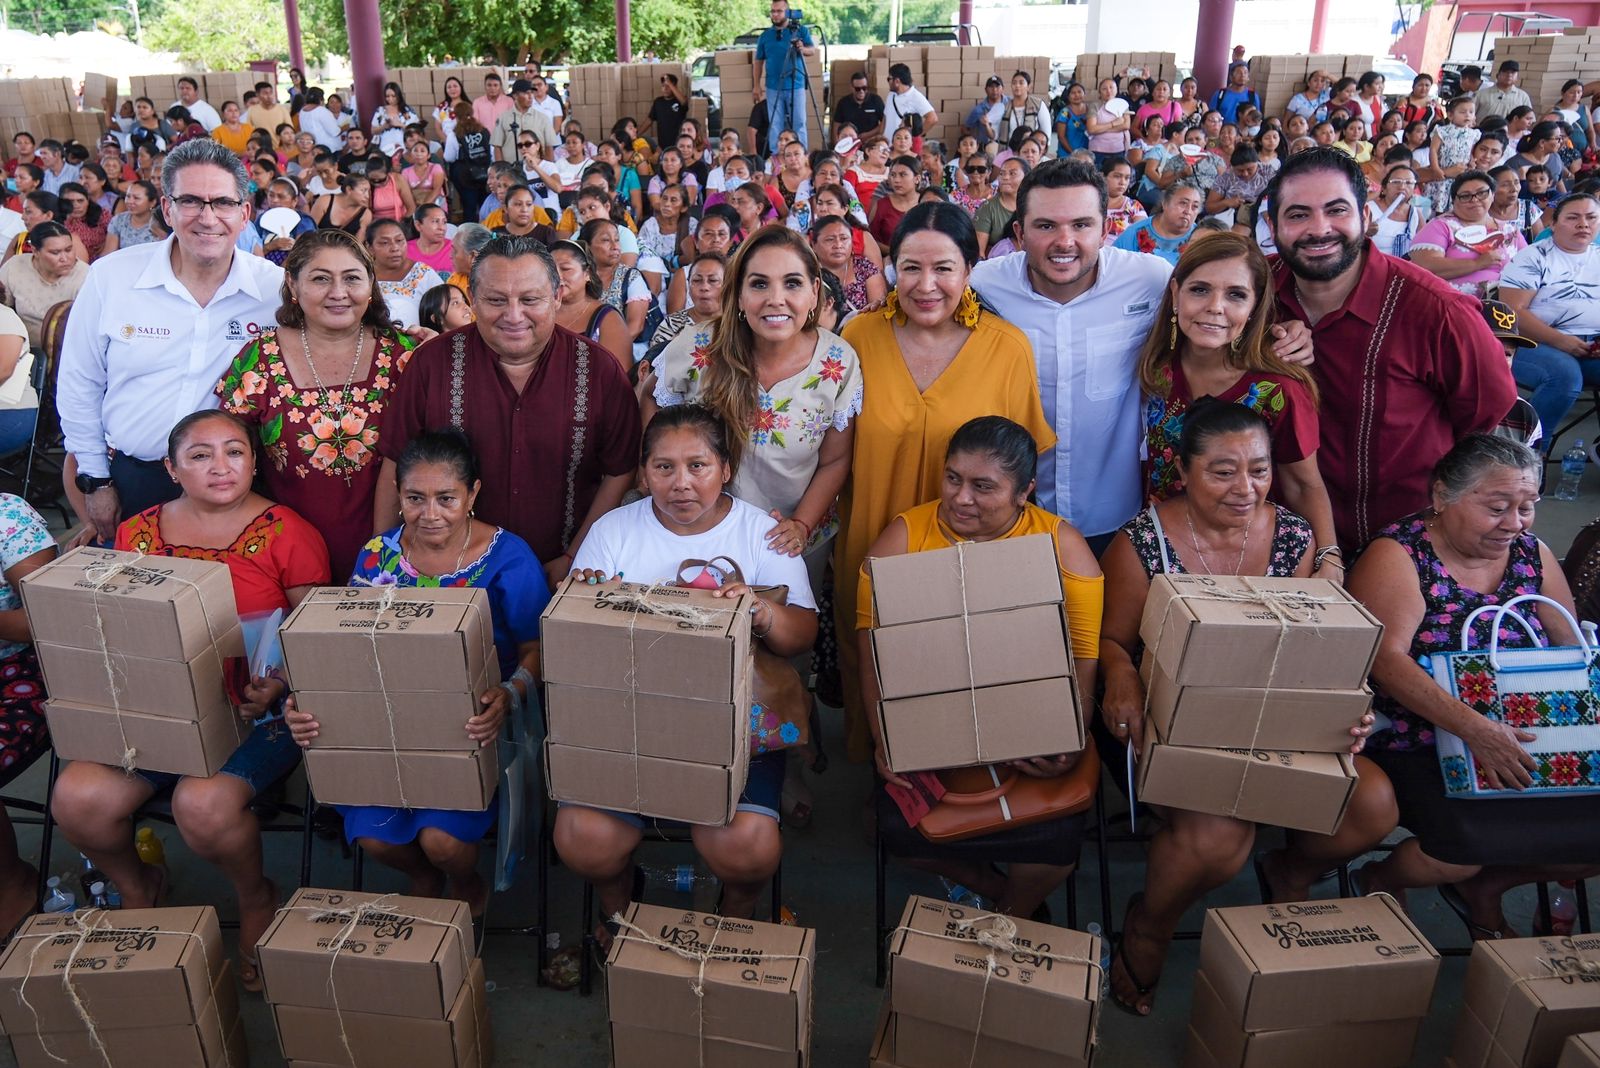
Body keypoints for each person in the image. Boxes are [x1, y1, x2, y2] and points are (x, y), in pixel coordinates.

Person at [1100, 399, 1393, 1015]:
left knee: (1372, 806)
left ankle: (1289, 869)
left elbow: (1315, 652)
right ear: (1183, 470)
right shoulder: (1140, 542)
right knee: (1220, 839)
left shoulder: (1292, 536)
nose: (1246, 488)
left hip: (1279, 718)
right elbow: (1111, 642)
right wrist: (1121, 678)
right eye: (1223, 471)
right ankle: (1149, 923)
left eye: (1259, 470)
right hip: (1177, 720)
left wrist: (1344, 708)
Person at [51, 408, 329, 990]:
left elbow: (315, 631)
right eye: (200, 456)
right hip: (158, 710)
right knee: (78, 799)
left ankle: (256, 896)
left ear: (255, 462)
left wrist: (277, 678)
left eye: (234, 451)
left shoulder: (289, 532)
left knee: (201, 807)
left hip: (257, 711)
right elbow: (119, 623)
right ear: (171, 469)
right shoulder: (138, 532)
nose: (220, 467)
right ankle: (137, 884)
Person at [972, 158, 1313, 556]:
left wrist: (1286, 329)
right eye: (1046, 226)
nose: (1065, 241)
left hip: (1113, 517)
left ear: (1105, 230)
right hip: (1012, 513)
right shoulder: (984, 284)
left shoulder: (1149, 278)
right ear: (1019, 232)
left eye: (1081, 225)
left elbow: (1221, 303)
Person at [556, 405, 814, 929]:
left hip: (733, 729)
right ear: (644, 471)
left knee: (749, 849)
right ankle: (619, 909)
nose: (681, 484)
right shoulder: (614, 529)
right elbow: (578, 643)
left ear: (725, 467)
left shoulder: (763, 533)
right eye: (663, 467)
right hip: (628, 725)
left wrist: (760, 610)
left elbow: (802, 634)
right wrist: (582, 603)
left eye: (697, 465)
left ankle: (734, 911)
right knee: (583, 839)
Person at [1348, 434, 1600, 941]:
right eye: (1497, 506)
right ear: (1442, 497)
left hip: (1529, 729)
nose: (1515, 522)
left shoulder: (1532, 553)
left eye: (1528, 506)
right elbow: (1384, 661)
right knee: (1460, 850)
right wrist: (1478, 729)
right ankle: (1380, 877)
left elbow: (1570, 650)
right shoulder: (1400, 554)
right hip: (1422, 734)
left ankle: (1491, 886)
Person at [287, 429, 547, 914]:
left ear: (473, 494)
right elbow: (340, 643)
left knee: (442, 840)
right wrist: (302, 700)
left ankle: (464, 882)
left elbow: (538, 648)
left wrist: (507, 695)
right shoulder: (376, 554)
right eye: (415, 498)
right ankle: (423, 877)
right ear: (398, 496)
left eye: (446, 498)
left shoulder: (509, 558)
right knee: (375, 836)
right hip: (382, 722)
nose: (431, 513)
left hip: (472, 725)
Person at [833, 202, 1053, 762]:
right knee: (874, 665)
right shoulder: (857, 337)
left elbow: (1026, 467)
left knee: (961, 676)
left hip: (971, 556)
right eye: (910, 267)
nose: (926, 285)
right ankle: (882, 791)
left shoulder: (1006, 348)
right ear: (889, 268)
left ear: (971, 270)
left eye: (944, 268)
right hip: (871, 543)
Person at [861, 416, 1103, 917]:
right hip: (934, 735)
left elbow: (1083, 652)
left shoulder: (1063, 547)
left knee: (1058, 843)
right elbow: (872, 648)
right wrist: (884, 735)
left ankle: (1008, 917)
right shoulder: (904, 537)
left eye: (983, 486)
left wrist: (1072, 732)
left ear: (1025, 492)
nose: (960, 498)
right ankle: (996, 894)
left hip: (1028, 738)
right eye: (953, 478)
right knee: (897, 833)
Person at [1266, 147, 1517, 550]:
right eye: (1298, 215)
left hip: (1400, 548)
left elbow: (1486, 411)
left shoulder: (1436, 309)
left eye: (1337, 210)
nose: (1319, 228)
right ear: (1271, 225)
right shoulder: (1251, 294)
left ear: (1366, 218)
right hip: (1274, 543)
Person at [60, 139, 286, 544]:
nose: (208, 217)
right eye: (191, 202)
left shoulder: (275, 290)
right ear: (167, 209)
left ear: (244, 213)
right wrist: (95, 480)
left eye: (222, 203)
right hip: (134, 482)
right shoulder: (112, 278)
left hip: (242, 491)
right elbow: (80, 384)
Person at [378, 236, 640, 585]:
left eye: (530, 299)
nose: (513, 316)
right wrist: (384, 558)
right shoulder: (431, 363)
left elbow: (620, 471)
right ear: (472, 299)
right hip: (444, 576)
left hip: (565, 574)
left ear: (557, 296)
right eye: (496, 300)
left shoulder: (599, 369)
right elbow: (396, 460)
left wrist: (574, 556)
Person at [649, 222, 862, 602]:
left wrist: (800, 525)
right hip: (698, 531)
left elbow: (835, 461)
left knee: (783, 645)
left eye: (792, 283)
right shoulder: (701, 345)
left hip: (790, 542)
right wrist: (657, 482)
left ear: (815, 292)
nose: (775, 299)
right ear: (739, 293)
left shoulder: (838, 361)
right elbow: (651, 400)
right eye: (760, 284)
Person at [215, 229, 416, 578]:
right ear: (293, 286)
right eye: (320, 279)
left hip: (397, 551)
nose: (338, 293)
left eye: (352, 278)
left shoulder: (403, 356)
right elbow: (228, 451)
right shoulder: (260, 358)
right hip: (283, 553)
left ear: (371, 284)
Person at [1135, 231, 1338, 554]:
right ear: (1175, 294)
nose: (1215, 307)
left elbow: (1303, 485)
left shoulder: (1277, 390)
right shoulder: (1157, 366)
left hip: (1249, 553)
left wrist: (1329, 557)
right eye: (1200, 290)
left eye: (1236, 295)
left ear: (1255, 306)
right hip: (1160, 545)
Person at [1498, 192, 1600, 447]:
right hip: (1533, 343)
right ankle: (1528, 454)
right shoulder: (1533, 257)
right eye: (1573, 218)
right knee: (1564, 376)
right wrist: (1560, 341)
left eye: (1591, 218)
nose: (1583, 224)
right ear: (1554, 223)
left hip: (1592, 346)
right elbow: (1513, 312)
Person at [1408, 170, 1525, 299]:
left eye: (1481, 193)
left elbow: (1529, 268)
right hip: (1451, 306)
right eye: (1465, 196)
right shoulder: (1442, 226)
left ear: (1492, 195)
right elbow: (1424, 267)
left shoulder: (1510, 231)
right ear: (1454, 201)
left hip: (1502, 310)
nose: (1474, 200)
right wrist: (1477, 264)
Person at [0, 221, 87, 346]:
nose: (64, 258)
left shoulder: (86, 277)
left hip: (67, 350)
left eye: (68, 250)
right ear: (35, 251)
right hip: (19, 347)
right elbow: (2, 308)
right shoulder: (16, 266)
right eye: (55, 253)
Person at [550, 238, 630, 365]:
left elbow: (618, 377)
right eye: (551, 270)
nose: (557, 276)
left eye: (565, 269)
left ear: (587, 274)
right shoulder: (540, 312)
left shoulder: (608, 318)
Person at [755, 0, 816, 152]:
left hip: (796, 83)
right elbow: (758, 61)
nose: (775, 14)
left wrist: (802, 48)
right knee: (775, 124)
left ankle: (800, 155)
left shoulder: (800, 30)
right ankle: (777, 157)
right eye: (772, 11)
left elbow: (812, 50)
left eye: (779, 11)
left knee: (799, 123)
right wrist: (756, 85)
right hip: (773, 86)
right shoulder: (765, 36)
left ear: (787, 12)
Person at [580, 218, 650, 347]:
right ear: (588, 246)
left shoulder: (631, 277)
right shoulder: (578, 276)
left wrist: (602, 353)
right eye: (606, 240)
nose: (615, 246)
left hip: (619, 350)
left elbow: (635, 327)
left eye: (617, 239)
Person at [646, 250, 724, 360]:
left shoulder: (739, 324)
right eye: (697, 280)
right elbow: (654, 367)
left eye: (713, 280)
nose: (704, 287)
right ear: (688, 285)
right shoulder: (672, 325)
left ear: (728, 284)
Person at [368, 218, 444, 330]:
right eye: (384, 243)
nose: (395, 248)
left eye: (399, 240)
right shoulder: (365, 278)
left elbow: (446, 309)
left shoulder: (422, 273)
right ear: (370, 248)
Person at [1114, 181, 1200, 265]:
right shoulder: (1136, 232)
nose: (1188, 211)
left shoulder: (1200, 238)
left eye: (1195, 206)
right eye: (1183, 203)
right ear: (1165, 203)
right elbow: (1113, 264)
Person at [1425, 96, 1479, 213]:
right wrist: (1435, 168)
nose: (1467, 115)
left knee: (1454, 205)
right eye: (1462, 112)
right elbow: (1433, 150)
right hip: (1442, 173)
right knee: (1438, 205)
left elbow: (1471, 151)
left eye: (1471, 112)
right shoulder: (1442, 131)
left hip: (1460, 176)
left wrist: (1471, 161)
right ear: (1450, 115)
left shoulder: (1473, 134)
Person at [447, 102, 494, 224]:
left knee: (469, 208)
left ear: (456, 116)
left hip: (465, 177)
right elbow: (492, 152)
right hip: (485, 173)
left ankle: (471, 235)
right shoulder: (484, 131)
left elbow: (449, 157)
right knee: (485, 205)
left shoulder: (454, 134)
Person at [493, 80, 559, 166]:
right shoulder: (503, 118)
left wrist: (549, 169)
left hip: (537, 170)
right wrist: (501, 170)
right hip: (511, 170)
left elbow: (549, 147)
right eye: (526, 93)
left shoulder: (542, 118)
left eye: (532, 93)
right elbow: (497, 147)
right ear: (515, 95)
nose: (531, 96)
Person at [1369, 164, 1426, 258]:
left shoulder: (1415, 214)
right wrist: (1363, 233)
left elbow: (1423, 246)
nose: (1402, 187)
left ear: (1414, 189)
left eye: (1409, 182)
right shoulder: (1369, 209)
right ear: (1384, 188)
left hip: (1401, 270)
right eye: (1396, 182)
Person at [883, 64, 937, 148]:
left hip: (902, 148)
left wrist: (913, 137)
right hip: (887, 146)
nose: (888, 82)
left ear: (897, 81)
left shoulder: (915, 96)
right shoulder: (891, 95)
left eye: (889, 79)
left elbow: (933, 119)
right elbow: (885, 119)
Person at [101, 179, 160, 254]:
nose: (130, 201)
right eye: (128, 196)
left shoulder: (160, 223)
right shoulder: (119, 220)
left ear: (152, 202)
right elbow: (108, 254)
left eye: (136, 198)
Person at [312, 173, 373, 242]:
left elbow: (358, 244)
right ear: (349, 189)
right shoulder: (324, 202)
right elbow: (310, 232)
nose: (367, 196)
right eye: (363, 191)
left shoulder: (366, 214)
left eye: (368, 191)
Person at [1087, 78, 1131, 166]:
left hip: (1118, 148)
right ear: (1099, 92)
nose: (1108, 91)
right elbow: (1091, 129)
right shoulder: (1094, 106)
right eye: (1104, 89)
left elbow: (1126, 125)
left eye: (1111, 87)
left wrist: (1101, 129)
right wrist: (1113, 124)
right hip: (1098, 150)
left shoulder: (1122, 104)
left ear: (1116, 90)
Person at [641, 74, 690, 152]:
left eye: (668, 86)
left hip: (679, 144)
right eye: (663, 86)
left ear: (674, 87)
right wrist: (637, 134)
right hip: (663, 145)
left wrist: (669, 83)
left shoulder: (679, 101)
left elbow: (684, 102)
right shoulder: (658, 102)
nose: (665, 89)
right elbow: (649, 120)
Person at [834, 71, 885, 142]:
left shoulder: (876, 100)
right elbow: (837, 124)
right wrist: (837, 143)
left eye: (864, 88)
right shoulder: (843, 103)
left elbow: (884, 122)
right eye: (857, 89)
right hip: (849, 143)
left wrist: (868, 134)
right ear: (851, 87)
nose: (861, 91)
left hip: (871, 142)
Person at [407, 203, 453, 274]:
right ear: (418, 225)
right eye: (435, 221)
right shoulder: (404, 250)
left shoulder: (455, 249)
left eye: (444, 222)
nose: (442, 228)